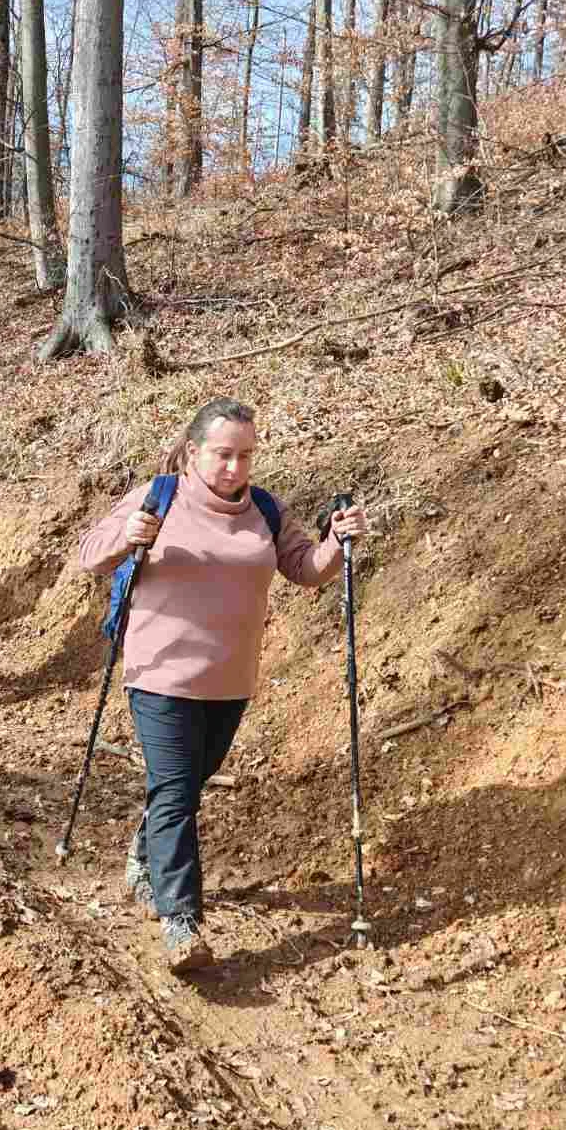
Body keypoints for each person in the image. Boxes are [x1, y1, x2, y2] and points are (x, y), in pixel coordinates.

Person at [78, 397, 367, 975]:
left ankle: (145, 850)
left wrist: (338, 540)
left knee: (186, 782)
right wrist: (126, 536)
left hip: (231, 677)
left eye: (245, 456)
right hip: (159, 672)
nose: (235, 468)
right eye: (223, 455)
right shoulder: (158, 497)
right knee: (178, 787)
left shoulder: (263, 508)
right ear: (192, 452)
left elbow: (306, 570)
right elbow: (89, 557)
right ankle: (179, 918)